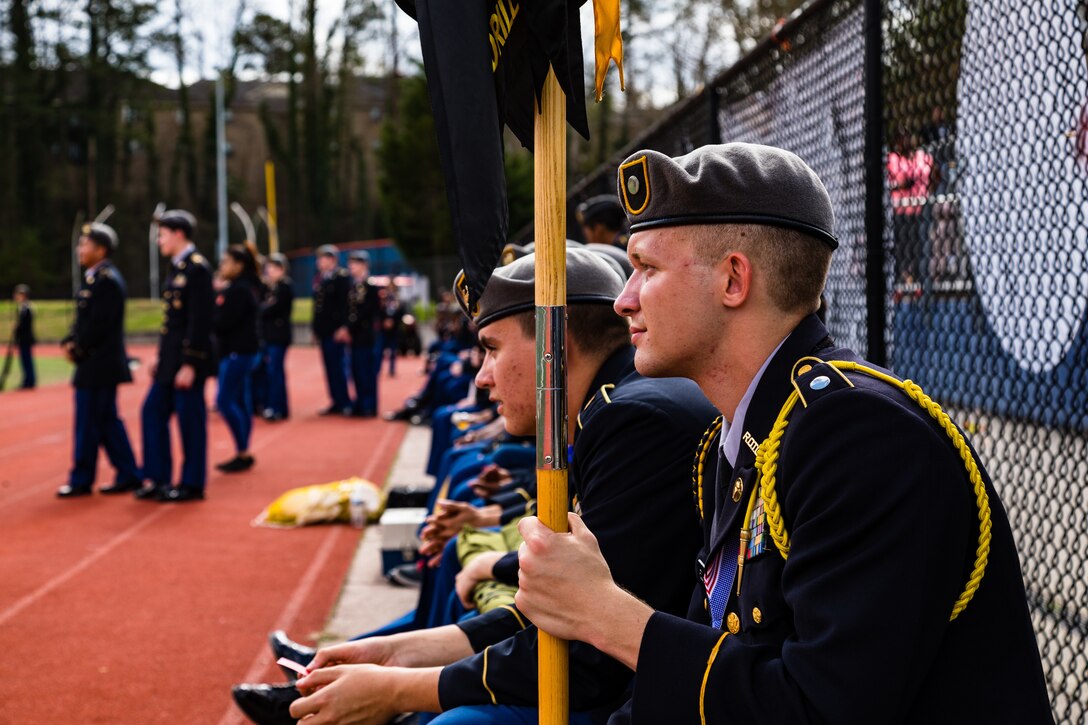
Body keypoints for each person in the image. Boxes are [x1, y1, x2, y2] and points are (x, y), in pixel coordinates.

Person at [514, 143, 1053, 724]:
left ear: (733, 279)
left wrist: (604, 614)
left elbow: (820, 709)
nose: (624, 299)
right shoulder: (750, 438)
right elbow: (723, 653)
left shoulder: (858, 437)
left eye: (647, 268)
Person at [231, 248, 718, 725]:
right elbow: (562, 618)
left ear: (554, 342)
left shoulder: (631, 420)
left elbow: (591, 659)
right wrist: (397, 654)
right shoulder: (614, 407)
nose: (481, 377)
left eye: (491, 348)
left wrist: (398, 689)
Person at [55, 223, 141, 498]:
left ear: (100, 250)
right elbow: (82, 321)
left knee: (90, 423)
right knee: (105, 422)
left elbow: (99, 326)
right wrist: (68, 340)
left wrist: (77, 349)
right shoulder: (94, 279)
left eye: (85, 245)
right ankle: (128, 473)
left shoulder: (107, 281)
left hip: (98, 365)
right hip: (94, 364)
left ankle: (82, 479)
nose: (80, 249)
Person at [137, 209, 214, 503]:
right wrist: (160, 355)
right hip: (170, 360)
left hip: (186, 362)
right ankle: (158, 478)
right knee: (152, 413)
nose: (159, 240)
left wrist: (191, 363)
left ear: (179, 234)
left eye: (163, 234)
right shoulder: (178, 267)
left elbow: (200, 321)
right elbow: (171, 321)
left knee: (190, 421)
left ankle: (192, 483)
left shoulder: (197, 269)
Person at [213, 244, 262, 472]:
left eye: (226, 262)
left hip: (237, 352)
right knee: (241, 400)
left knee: (225, 400)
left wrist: (217, 297)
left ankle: (242, 450)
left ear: (238, 265)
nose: (222, 266)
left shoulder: (237, 290)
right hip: (244, 351)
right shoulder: (245, 287)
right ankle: (243, 450)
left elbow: (222, 323)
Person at [312, 244, 352, 416]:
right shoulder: (321, 278)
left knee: (338, 366)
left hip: (336, 329)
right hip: (325, 330)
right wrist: (315, 329)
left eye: (324, 258)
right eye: (319, 258)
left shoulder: (341, 278)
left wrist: (344, 326)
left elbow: (345, 305)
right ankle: (335, 400)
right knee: (329, 367)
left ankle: (344, 401)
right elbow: (318, 308)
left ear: (333, 260)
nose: (321, 262)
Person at [346, 251, 380, 417]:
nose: (351, 267)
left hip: (364, 335)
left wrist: (349, 329)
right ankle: (359, 402)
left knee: (366, 371)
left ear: (364, 266)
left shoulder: (370, 286)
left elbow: (366, 312)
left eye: (355, 264)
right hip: (355, 336)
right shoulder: (353, 286)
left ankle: (369, 405)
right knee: (356, 371)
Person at [260, 253, 293, 421]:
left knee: (275, 372)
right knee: (272, 372)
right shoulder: (272, 286)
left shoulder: (284, 286)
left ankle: (278, 407)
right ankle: (275, 405)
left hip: (278, 336)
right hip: (271, 335)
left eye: (273, 268)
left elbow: (274, 308)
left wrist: (260, 309)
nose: (269, 272)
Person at [12, 283, 36, 389]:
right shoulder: (22, 307)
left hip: (25, 338)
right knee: (25, 360)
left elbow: (25, 325)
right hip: (23, 338)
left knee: (27, 359)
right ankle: (28, 380)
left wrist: (17, 328)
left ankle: (29, 381)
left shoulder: (27, 308)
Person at [379, 281, 403, 377]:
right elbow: (379, 311)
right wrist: (384, 321)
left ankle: (392, 369)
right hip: (383, 329)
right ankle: (378, 369)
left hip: (394, 329)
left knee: (393, 351)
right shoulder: (383, 298)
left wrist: (393, 322)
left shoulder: (398, 299)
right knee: (380, 350)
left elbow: (401, 312)